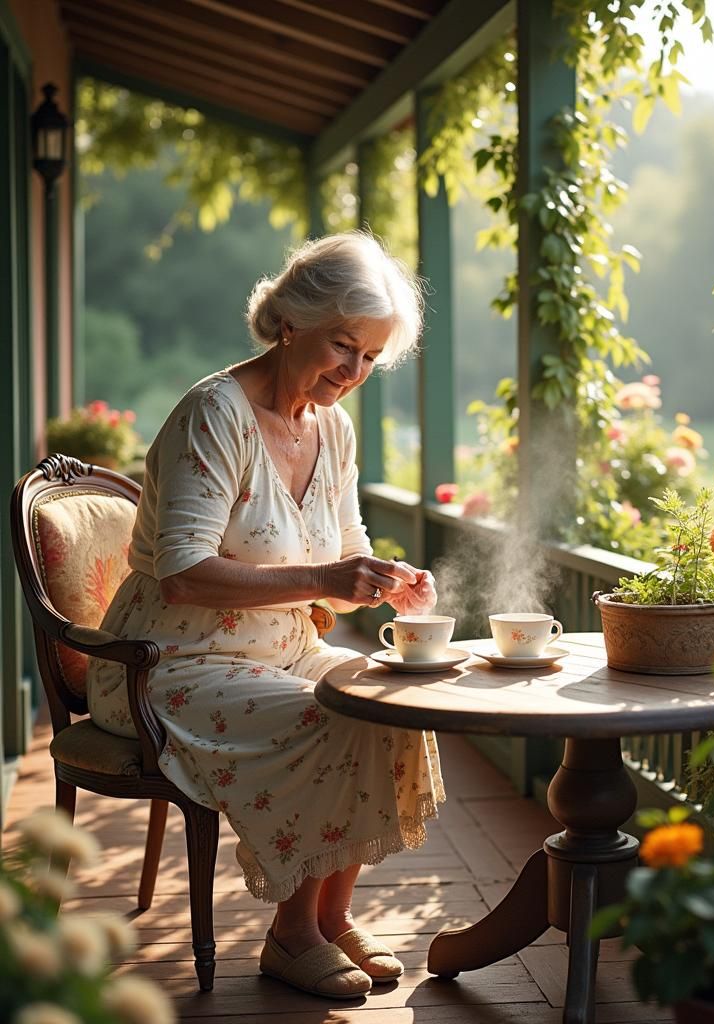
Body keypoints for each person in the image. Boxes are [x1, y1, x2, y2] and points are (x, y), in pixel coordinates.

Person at [87, 232, 443, 999]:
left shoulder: (332, 427)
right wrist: (325, 576)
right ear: (291, 322)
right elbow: (182, 574)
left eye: (370, 358)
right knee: (330, 716)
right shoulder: (214, 413)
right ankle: (290, 936)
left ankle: (330, 919)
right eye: (342, 346)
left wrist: (386, 580)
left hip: (277, 651)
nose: (352, 374)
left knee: (389, 701)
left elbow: (348, 546)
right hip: (163, 664)